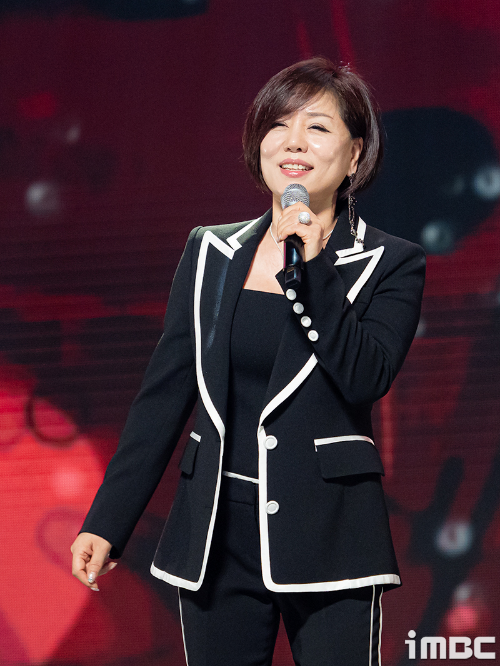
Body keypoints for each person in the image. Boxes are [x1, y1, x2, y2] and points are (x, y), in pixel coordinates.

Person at [71, 57, 426, 665]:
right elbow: (164, 397)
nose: (293, 141)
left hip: (330, 535)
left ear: (354, 155)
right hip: (215, 536)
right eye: (278, 125)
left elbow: (365, 376)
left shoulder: (391, 262)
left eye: (317, 127)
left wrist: (314, 268)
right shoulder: (210, 250)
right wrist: (107, 521)